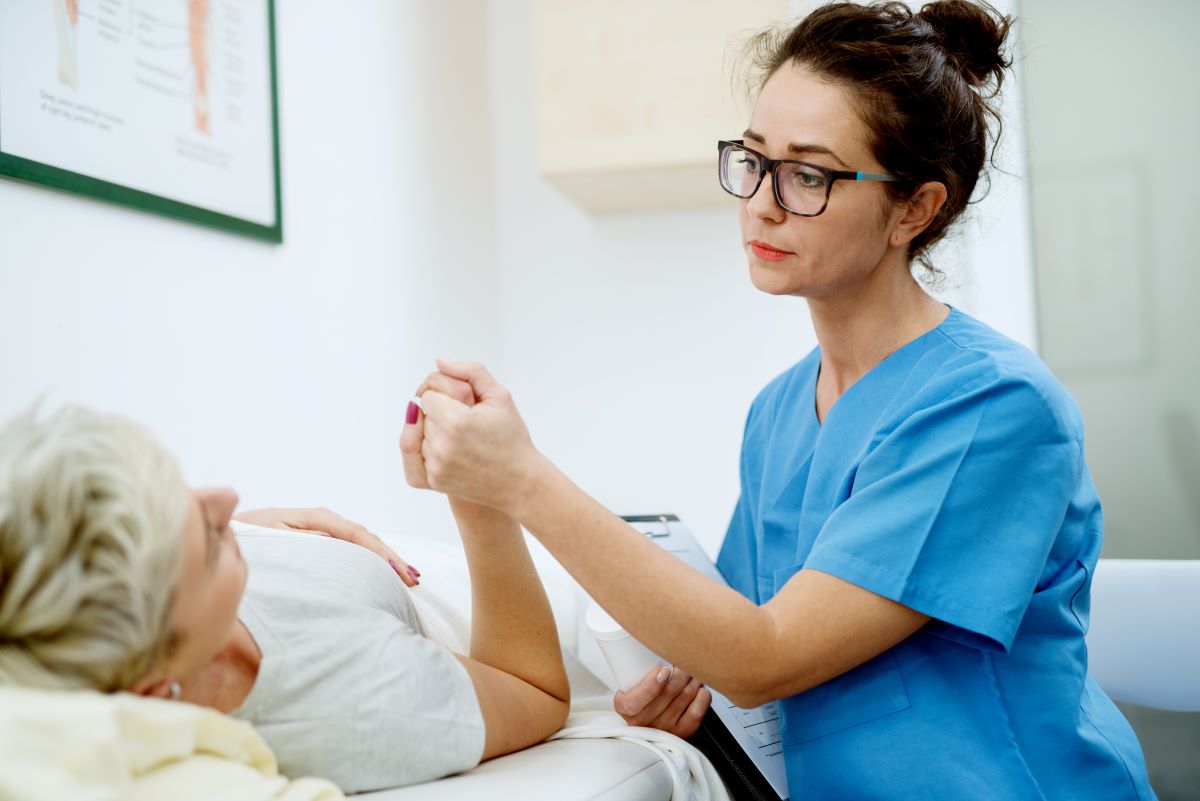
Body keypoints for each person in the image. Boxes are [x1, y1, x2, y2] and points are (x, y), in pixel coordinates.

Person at [401, 1, 1158, 797]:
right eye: (753, 159)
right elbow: (734, 656)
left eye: (809, 175)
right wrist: (686, 694)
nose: (762, 201)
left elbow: (763, 654)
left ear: (916, 208)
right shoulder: (779, 412)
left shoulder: (995, 409)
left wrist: (521, 478)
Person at [0, 395, 569, 794]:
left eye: (183, 489)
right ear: (155, 687)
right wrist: (481, 495)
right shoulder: (369, 704)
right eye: (210, 536)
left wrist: (247, 531)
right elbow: (536, 688)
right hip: (544, 593)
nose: (228, 497)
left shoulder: (114, 598)